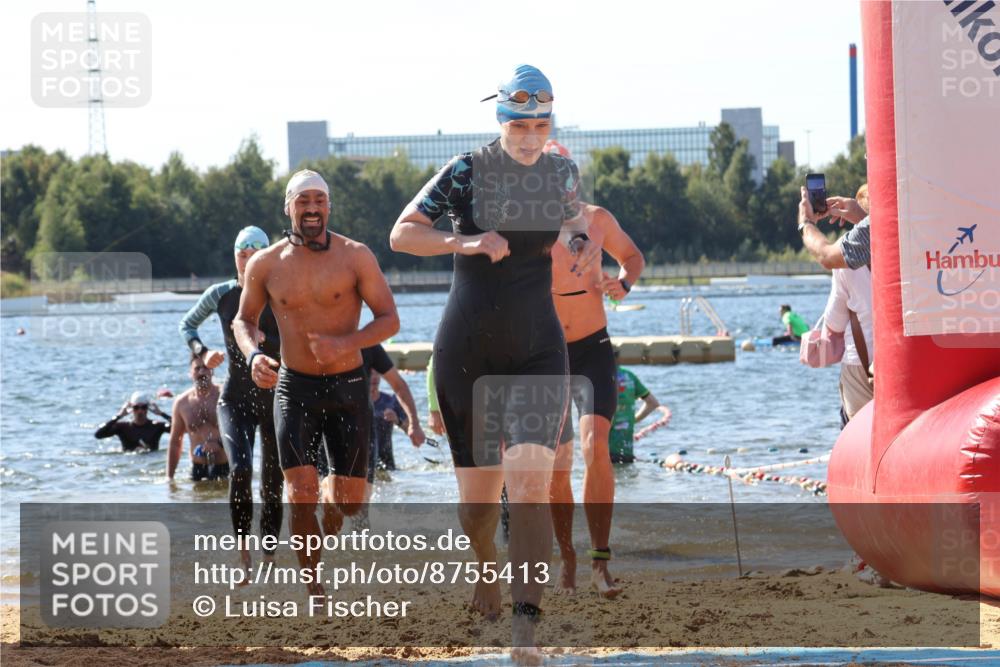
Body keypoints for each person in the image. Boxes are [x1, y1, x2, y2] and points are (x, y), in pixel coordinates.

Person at [390, 64, 600, 662]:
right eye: (521, 125)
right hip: (468, 354)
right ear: (501, 120)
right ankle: (486, 566)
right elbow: (402, 233)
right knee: (480, 507)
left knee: (530, 486)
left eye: (541, 124)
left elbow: (574, 218)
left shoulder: (561, 170)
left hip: (539, 346)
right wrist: (467, 242)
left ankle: (525, 631)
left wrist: (588, 244)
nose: (532, 136)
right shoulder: (466, 171)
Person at [234, 169, 399, 596]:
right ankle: (314, 587)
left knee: (349, 502)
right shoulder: (265, 263)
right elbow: (244, 320)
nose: (311, 208)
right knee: (299, 489)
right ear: (288, 207)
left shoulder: (356, 255)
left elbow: (389, 319)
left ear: (329, 206)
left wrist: (347, 341)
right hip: (294, 388)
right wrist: (253, 355)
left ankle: (332, 495)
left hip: (347, 387)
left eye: (319, 201)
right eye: (302, 200)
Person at [541, 140, 645, 599]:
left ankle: (601, 561)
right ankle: (567, 554)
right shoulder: (527, 228)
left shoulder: (598, 219)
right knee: (557, 464)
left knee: (594, 447)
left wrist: (621, 283)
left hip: (594, 347)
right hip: (547, 355)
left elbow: (634, 257)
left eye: (567, 176)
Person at [179, 225, 283, 571]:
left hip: (273, 399)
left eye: (256, 254)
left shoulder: (281, 292)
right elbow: (187, 325)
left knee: (272, 480)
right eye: (243, 254)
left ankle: (268, 554)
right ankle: (243, 555)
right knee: (239, 470)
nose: (249, 260)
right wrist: (203, 351)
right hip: (235, 399)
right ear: (235, 257)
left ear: (267, 257)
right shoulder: (221, 294)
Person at [821, 184, 874, 426]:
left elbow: (835, 322)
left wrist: (805, 224)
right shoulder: (906, 238)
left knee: (860, 437)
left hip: (860, 365)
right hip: (904, 360)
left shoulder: (846, 259)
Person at [167, 354, 229, 481]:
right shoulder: (182, 403)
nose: (201, 372)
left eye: (206, 367)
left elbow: (240, 431)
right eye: (197, 368)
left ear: (212, 370)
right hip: (197, 469)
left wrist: (219, 444)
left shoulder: (225, 396)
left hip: (225, 466)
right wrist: (170, 478)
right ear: (191, 373)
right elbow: (175, 443)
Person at [608, 357, 668, 464]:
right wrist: (632, 419)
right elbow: (653, 403)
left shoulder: (598, 377)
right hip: (626, 452)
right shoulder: (629, 376)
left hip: (604, 453)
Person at [797, 185, 871, 270]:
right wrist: (863, 217)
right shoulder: (882, 220)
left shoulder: (874, 225)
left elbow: (827, 256)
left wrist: (806, 222)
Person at [95, 391, 171, 452]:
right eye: (136, 407)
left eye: (143, 407)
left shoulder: (157, 426)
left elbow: (181, 428)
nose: (140, 411)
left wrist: (162, 414)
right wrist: (118, 416)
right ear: (132, 409)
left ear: (148, 409)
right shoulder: (122, 427)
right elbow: (98, 434)